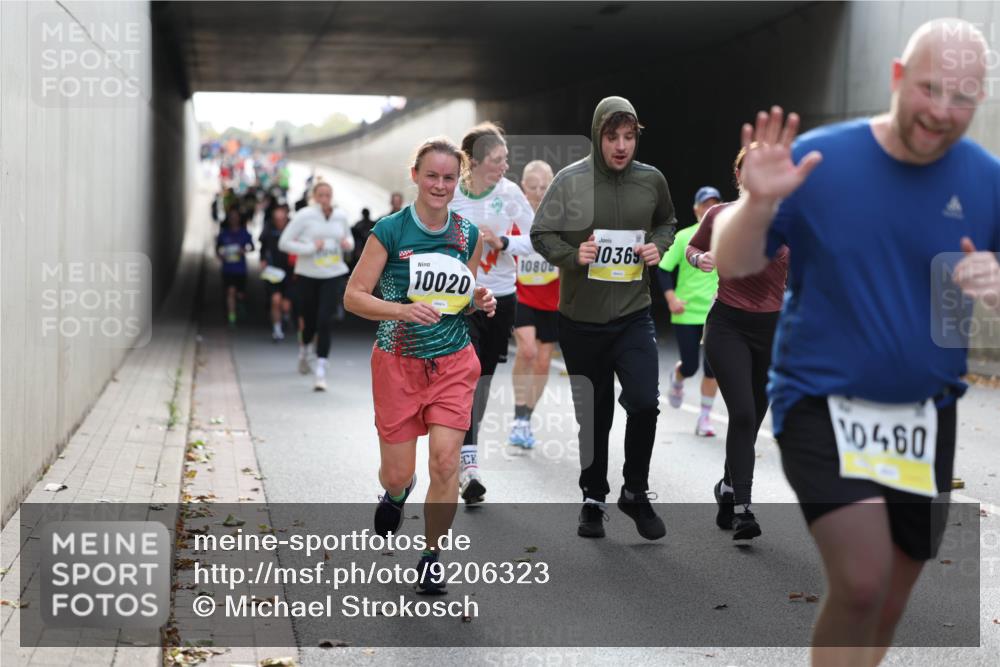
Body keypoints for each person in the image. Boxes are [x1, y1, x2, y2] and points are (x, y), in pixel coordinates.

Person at [711, 19, 1000, 665]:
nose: (942, 111)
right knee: (863, 576)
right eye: (930, 88)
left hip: (926, 414)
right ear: (897, 77)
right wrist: (756, 204)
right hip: (821, 402)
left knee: (888, 597)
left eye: (963, 96)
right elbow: (733, 260)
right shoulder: (823, 158)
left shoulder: (986, 178)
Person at [343, 137, 496, 594]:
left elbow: (459, 297)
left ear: (458, 181)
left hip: (451, 361)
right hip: (397, 363)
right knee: (397, 471)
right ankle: (395, 493)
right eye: (432, 175)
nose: (440, 185)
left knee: (446, 462)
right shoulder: (389, 231)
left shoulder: (467, 235)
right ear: (415, 175)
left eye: (449, 178)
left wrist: (478, 299)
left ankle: (432, 556)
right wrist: (402, 310)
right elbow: (353, 297)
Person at [531, 96, 676, 540]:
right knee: (595, 416)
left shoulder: (651, 180)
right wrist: (575, 255)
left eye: (629, 137)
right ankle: (593, 498)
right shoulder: (570, 181)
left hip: (633, 315)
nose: (621, 146)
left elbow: (667, 222)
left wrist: (658, 245)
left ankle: (635, 490)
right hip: (580, 320)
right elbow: (541, 233)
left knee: (645, 403)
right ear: (598, 136)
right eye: (612, 137)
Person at [688, 160, 789, 541]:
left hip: (772, 330)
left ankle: (728, 487)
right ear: (740, 176)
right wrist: (700, 259)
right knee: (743, 414)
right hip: (727, 325)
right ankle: (744, 509)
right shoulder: (720, 214)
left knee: (754, 417)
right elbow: (693, 249)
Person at [449, 122, 536, 503]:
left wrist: (503, 241)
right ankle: (468, 464)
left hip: (501, 298)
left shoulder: (510, 192)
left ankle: (463, 450)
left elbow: (539, 240)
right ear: (474, 162)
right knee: (466, 374)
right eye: (497, 160)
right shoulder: (452, 195)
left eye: (506, 159)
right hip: (462, 299)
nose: (504, 166)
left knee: (482, 379)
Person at [658, 185, 722, 437]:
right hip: (686, 310)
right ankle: (678, 376)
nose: (709, 208)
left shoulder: (726, 237)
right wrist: (671, 298)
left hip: (715, 313)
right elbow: (663, 269)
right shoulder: (685, 237)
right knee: (691, 365)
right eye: (705, 204)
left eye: (714, 204)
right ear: (696, 209)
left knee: (712, 367)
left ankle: (705, 418)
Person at [278, 181, 354, 391]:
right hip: (308, 275)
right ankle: (304, 351)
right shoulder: (304, 216)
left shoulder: (340, 215)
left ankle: (321, 371)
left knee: (325, 320)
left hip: (333, 273)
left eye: (328, 195)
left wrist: (348, 243)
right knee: (309, 321)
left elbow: (349, 237)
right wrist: (311, 247)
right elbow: (284, 243)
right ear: (314, 197)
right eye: (320, 195)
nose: (324, 199)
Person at [509, 160, 557, 448]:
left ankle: (526, 418)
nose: (539, 192)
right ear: (523, 187)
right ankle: (517, 416)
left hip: (552, 299)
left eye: (544, 186)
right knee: (526, 351)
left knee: (542, 363)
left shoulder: (563, 218)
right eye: (533, 187)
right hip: (521, 294)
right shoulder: (515, 217)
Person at [259, 203, 294, 341]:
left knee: (286, 305)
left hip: (290, 271)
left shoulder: (293, 228)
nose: (279, 220)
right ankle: (277, 329)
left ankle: (286, 315)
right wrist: (263, 260)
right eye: (277, 218)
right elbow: (263, 246)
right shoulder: (269, 228)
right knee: (275, 300)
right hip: (273, 271)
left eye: (282, 218)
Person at [216, 207, 254, 327]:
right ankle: (232, 317)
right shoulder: (223, 234)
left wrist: (244, 251)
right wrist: (220, 255)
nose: (234, 219)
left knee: (240, 294)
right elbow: (217, 249)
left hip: (240, 269)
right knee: (230, 292)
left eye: (236, 217)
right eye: (231, 217)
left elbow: (252, 247)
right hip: (227, 269)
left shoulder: (244, 233)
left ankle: (240, 304)